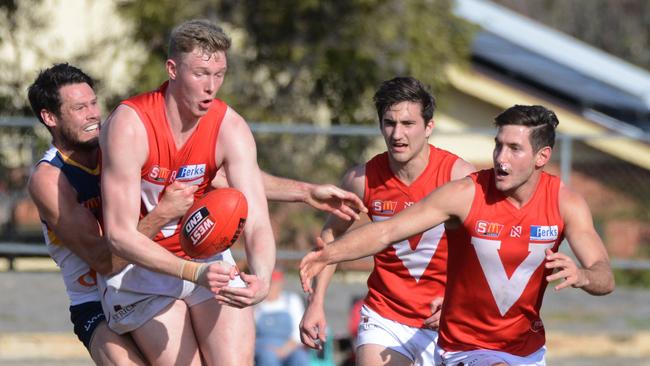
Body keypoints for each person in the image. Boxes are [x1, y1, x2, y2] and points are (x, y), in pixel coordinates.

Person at [99, 19, 364, 365]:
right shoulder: (130, 124)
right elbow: (119, 237)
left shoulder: (230, 127)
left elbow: (256, 221)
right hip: (142, 270)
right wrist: (193, 273)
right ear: (172, 69)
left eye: (219, 74)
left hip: (206, 260)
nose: (211, 87)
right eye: (200, 74)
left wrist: (263, 279)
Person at [300, 105, 615, 366]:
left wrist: (584, 275)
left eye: (514, 149)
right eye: (498, 145)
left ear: (541, 156)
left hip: (527, 350)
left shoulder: (564, 202)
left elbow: (605, 275)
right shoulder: (466, 193)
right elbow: (387, 231)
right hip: (466, 347)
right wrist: (328, 254)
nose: (500, 158)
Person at [299, 76, 475, 366]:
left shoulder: (459, 177)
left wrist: (459, 303)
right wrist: (316, 303)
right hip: (386, 316)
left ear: (429, 127)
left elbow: (483, 251)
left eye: (408, 124)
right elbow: (330, 237)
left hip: (446, 319)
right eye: (389, 123)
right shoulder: (361, 179)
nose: (397, 134)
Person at [25, 63, 193, 364]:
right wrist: (162, 213)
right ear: (49, 117)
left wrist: (300, 192)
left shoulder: (117, 147)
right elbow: (104, 261)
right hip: (94, 303)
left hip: (145, 282)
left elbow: (220, 171)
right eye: (79, 108)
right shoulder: (50, 179)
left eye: (93, 103)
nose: (93, 114)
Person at [254, 267, 310, 366]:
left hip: (289, 345)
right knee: (268, 358)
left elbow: (298, 332)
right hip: (262, 347)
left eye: (275, 283)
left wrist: (284, 350)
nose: (272, 286)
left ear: (281, 283)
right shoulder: (256, 304)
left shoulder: (291, 300)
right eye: (270, 283)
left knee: (300, 357)